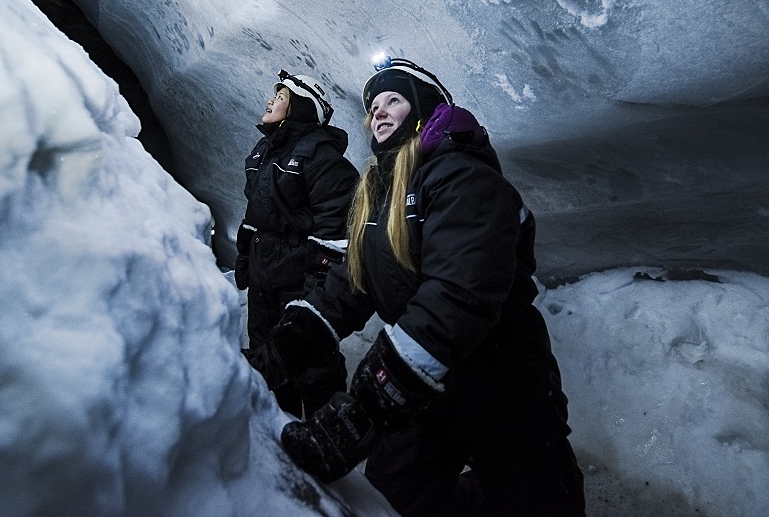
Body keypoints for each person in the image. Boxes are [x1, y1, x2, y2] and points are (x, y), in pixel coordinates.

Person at [247, 57, 585, 516]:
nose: (377, 112)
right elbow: (351, 283)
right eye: (372, 106)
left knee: (538, 502)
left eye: (393, 100)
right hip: (423, 396)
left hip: (503, 389)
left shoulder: (464, 177)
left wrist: (366, 405)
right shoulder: (381, 196)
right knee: (391, 500)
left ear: (424, 109)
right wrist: (282, 350)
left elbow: (456, 296)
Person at [236, 70, 359, 418]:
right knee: (268, 368)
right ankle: (282, 441)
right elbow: (257, 214)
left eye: (281, 96)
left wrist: (317, 289)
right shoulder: (264, 152)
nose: (270, 100)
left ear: (301, 107)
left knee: (312, 368)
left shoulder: (321, 157)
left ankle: (327, 447)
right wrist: (246, 253)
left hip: (298, 285)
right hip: (264, 284)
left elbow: (337, 226)